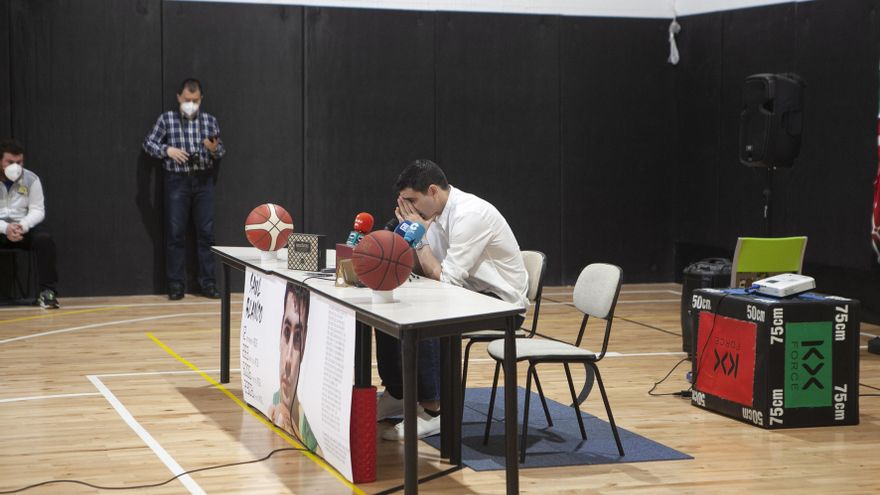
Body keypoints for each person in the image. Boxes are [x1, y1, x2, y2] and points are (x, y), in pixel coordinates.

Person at [376, 159, 529, 441]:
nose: (407, 209)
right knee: (389, 304)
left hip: (502, 304)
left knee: (427, 314)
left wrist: (419, 239)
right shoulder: (431, 215)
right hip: (467, 293)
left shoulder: (470, 215)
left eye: (411, 200)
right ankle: (398, 393)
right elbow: (426, 271)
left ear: (433, 191)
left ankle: (436, 410)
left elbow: (446, 281)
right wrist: (405, 240)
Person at [143, 78, 226, 300]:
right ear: (179, 97)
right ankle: (176, 285)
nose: (191, 104)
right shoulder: (167, 119)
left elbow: (221, 151)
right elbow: (148, 144)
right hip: (176, 181)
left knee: (206, 234)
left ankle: (208, 283)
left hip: (203, 180)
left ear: (201, 99)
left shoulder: (209, 121)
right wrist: (167, 150)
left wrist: (213, 149)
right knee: (175, 234)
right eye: (187, 100)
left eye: (195, 100)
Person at [0, 139, 60, 309]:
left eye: (19, 162)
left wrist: (23, 225)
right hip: (0, 228)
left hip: (22, 228)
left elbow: (38, 210)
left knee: (44, 240)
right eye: (10, 162)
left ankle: (47, 293)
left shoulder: (31, 179)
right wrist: (5, 228)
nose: (15, 166)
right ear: (0, 161)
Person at [268, 282, 318, 451]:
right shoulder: (271, 401)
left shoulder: (313, 436)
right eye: (286, 333)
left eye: (297, 338)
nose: (288, 358)